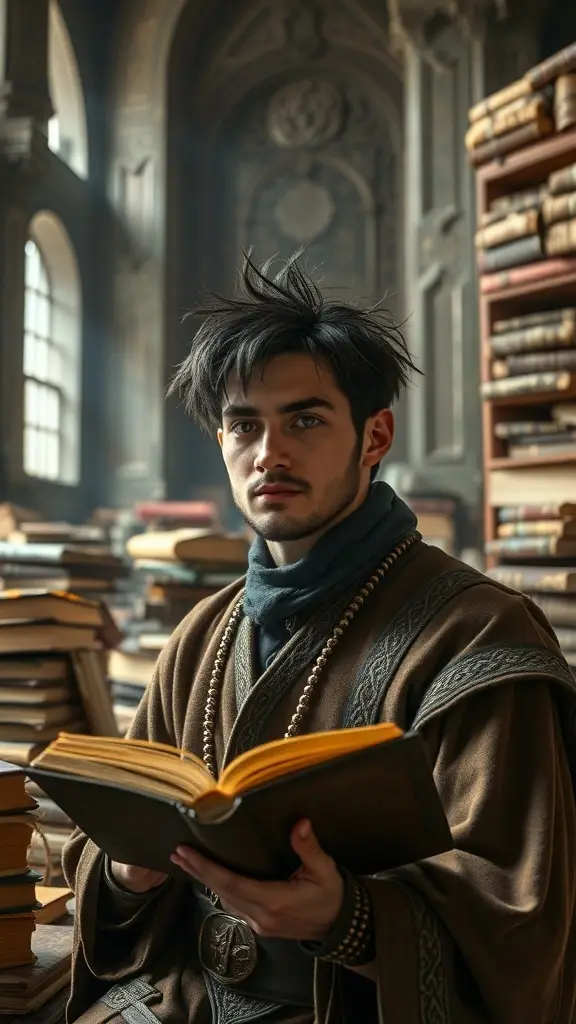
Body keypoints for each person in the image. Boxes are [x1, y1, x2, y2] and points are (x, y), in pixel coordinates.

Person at [63, 254, 576, 1024]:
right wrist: (126, 874)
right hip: (184, 1001)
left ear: (375, 436)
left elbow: (522, 920)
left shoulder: (477, 634)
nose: (269, 453)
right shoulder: (201, 634)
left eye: (305, 420)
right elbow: (113, 857)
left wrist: (351, 918)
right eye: (245, 425)